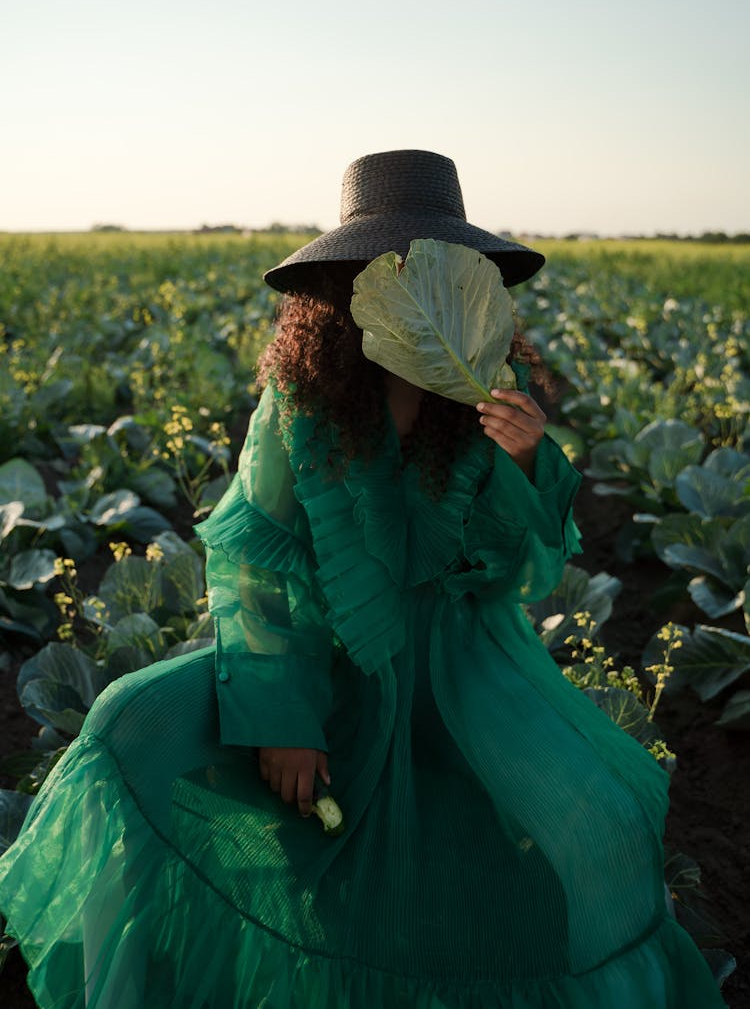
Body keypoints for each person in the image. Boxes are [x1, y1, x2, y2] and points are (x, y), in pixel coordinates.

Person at [0, 150, 727, 1008]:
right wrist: (282, 718)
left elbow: (521, 574)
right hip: (325, 654)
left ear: (468, 279)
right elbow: (257, 565)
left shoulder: (493, 387)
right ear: (347, 283)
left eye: (435, 266)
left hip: (466, 663)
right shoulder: (303, 400)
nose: (416, 284)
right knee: (130, 719)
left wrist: (529, 462)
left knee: (596, 825)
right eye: (390, 266)